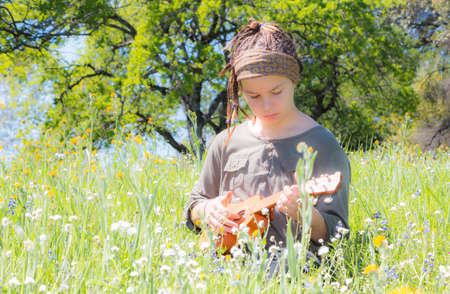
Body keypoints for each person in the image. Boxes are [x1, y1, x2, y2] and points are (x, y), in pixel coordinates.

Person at [182, 18, 351, 276]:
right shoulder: (225, 142)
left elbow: (336, 233)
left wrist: (307, 215)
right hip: (226, 269)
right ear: (239, 91)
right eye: (254, 96)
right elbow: (195, 205)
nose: (266, 105)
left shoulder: (322, 144)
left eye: (276, 91)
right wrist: (207, 211)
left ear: (294, 81)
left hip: (295, 272)